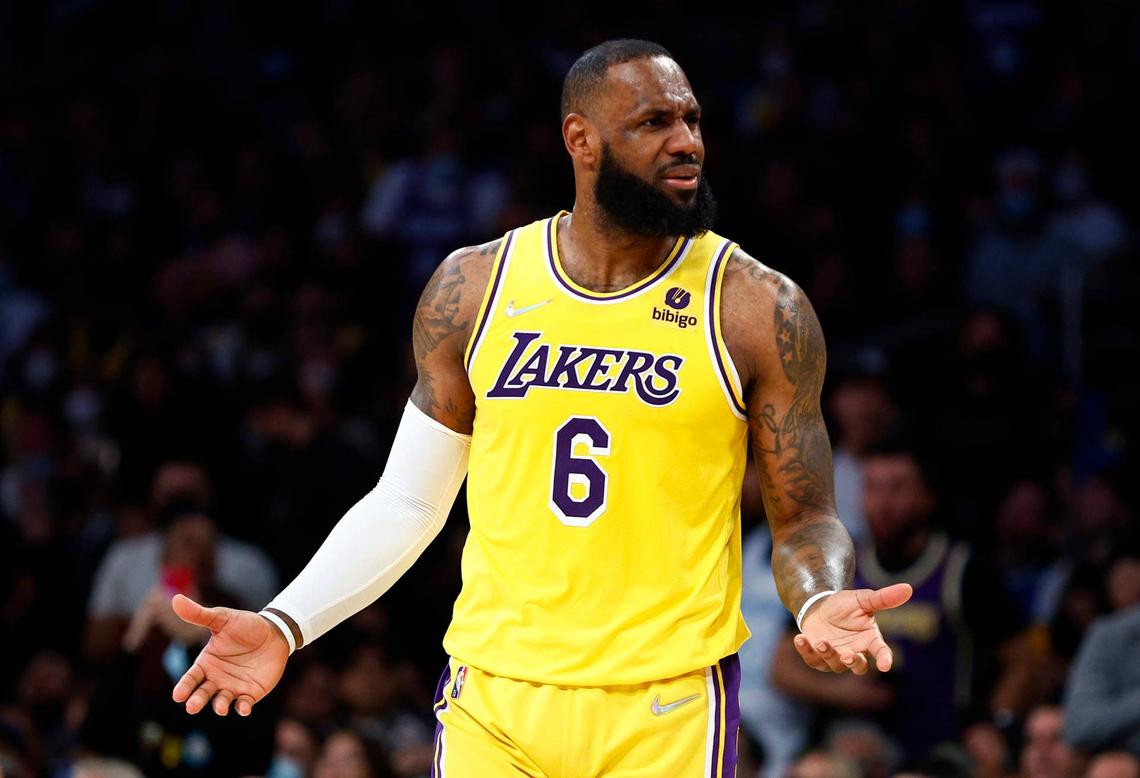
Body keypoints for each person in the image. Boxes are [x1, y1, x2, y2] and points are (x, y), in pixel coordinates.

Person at [169, 39, 912, 775]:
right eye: (654, 123)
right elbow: (405, 502)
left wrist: (817, 600)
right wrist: (285, 622)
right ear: (580, 140)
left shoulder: (755, 306)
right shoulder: (474, 289)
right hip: (496, 698)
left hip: (666, 704)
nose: (686, 143)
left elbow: (807, 516)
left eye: (692, 120)